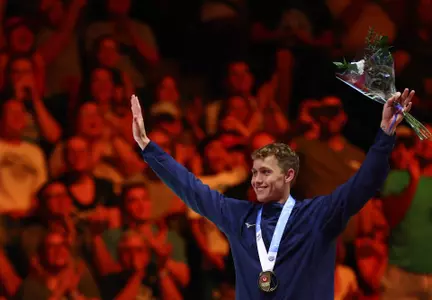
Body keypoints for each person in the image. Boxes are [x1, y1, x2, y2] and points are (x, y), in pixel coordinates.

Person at [130, 88, 413, 299]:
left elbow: (363, 183)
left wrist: (385, 133)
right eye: (254, 172)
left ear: (289, 175)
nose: (257, 179)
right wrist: (148, 148)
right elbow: (190, 188)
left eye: (266, 172)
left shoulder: (318, 215)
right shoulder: (238, 215)